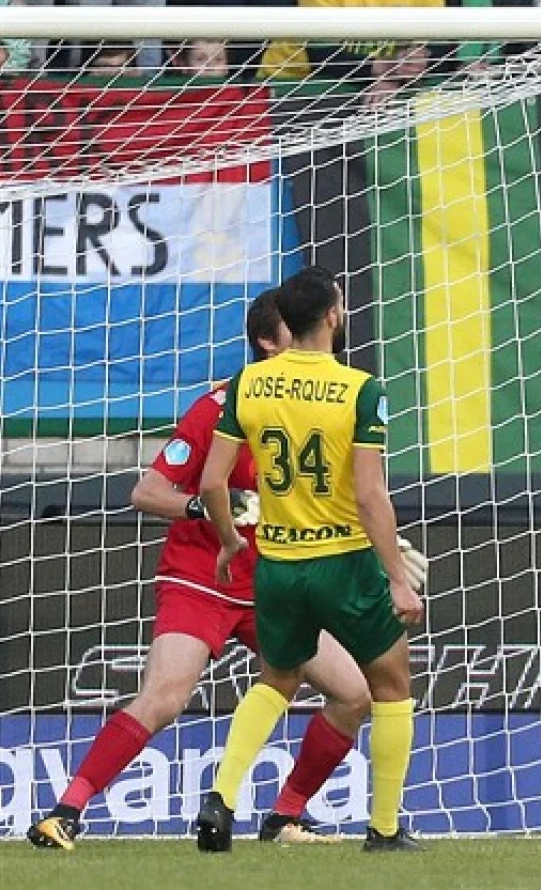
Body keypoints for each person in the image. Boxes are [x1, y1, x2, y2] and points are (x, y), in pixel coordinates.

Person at [26, 290, 370, 851]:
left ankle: (284, 817)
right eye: (297, 329)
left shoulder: (322, 407)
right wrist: (211, 507)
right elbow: (148, 491)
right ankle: (65, 811)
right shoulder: (220, 405)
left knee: (354, 693)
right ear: (267, 342)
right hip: (202, 577)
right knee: (164, 698)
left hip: (274, 584)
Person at [198, 266, 426, 853]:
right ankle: (383, 829)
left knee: (276, 679)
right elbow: (371, 496)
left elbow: (212, 483)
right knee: (391, 685)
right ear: (331, 316)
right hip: (343, 562)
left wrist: (228, 541)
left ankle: (220, 798)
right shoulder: (361, 388)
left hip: (276, 565)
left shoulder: (248, 384)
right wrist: (397, 580)